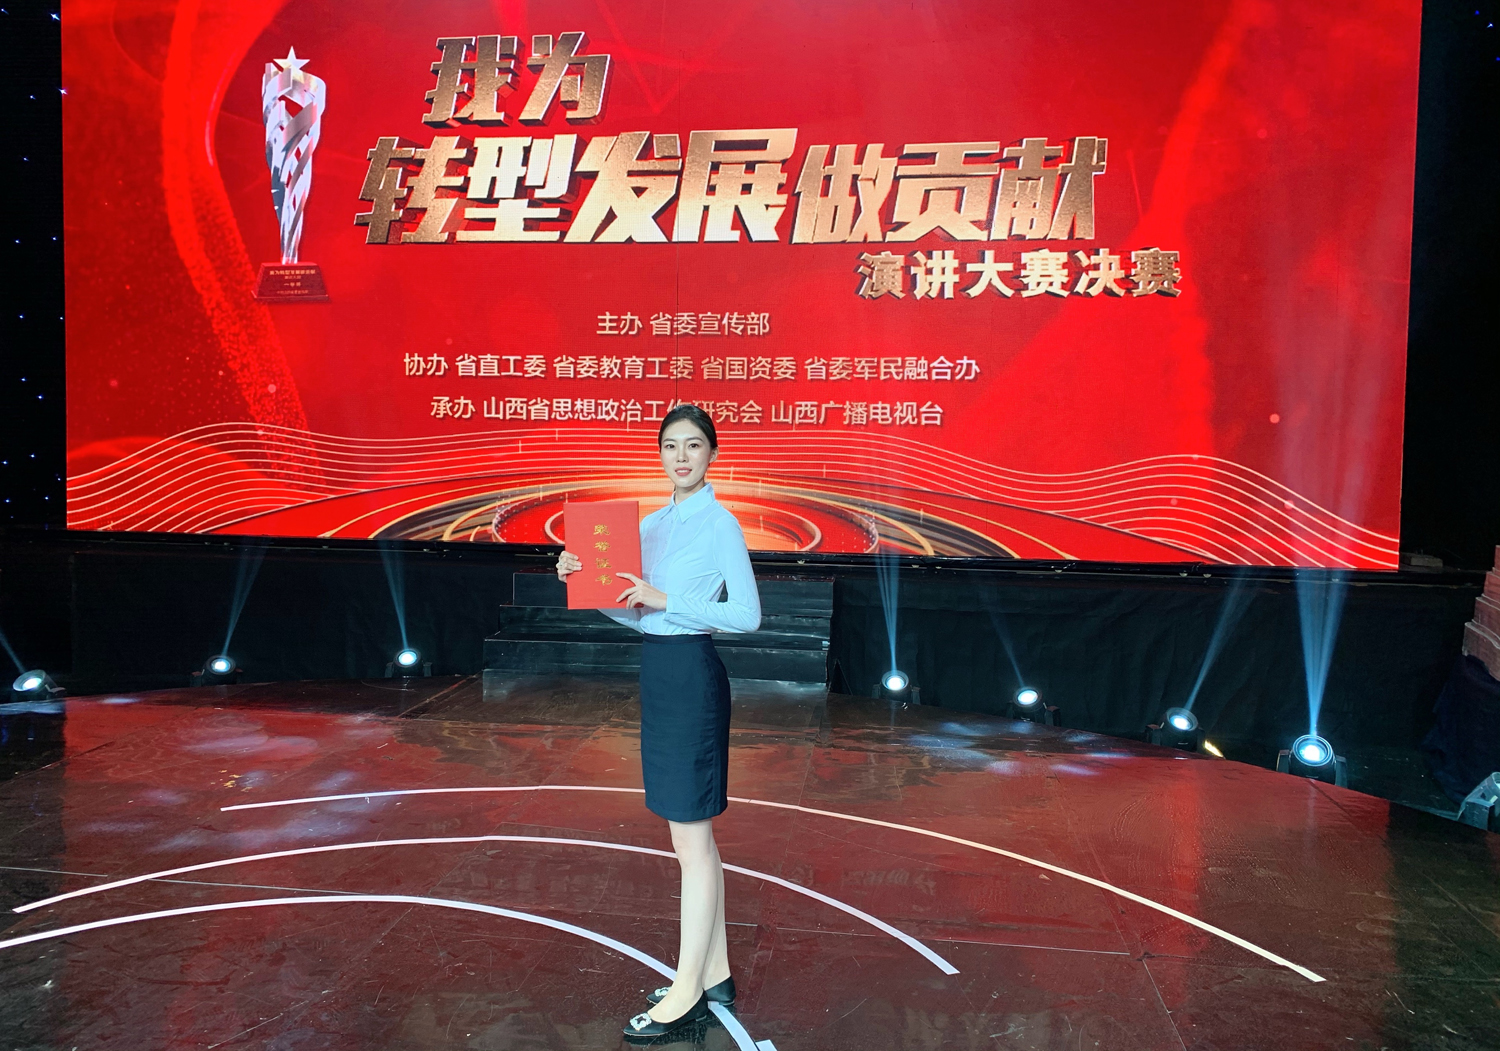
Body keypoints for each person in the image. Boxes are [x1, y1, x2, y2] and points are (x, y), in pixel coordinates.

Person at [555, 403, 761, 1040]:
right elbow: (635, 611)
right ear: (660, 453)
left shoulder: (720, 524)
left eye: (693, 445)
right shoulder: (647, 524)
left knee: (690, 842)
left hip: (694, 674)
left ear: (711, 453)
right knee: (691, 838)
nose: (681, 456)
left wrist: (668, 598)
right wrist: (582, 581)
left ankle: (686, 991)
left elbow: (747, 615)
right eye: (671, 445)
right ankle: (716, 973)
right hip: (659, 670)